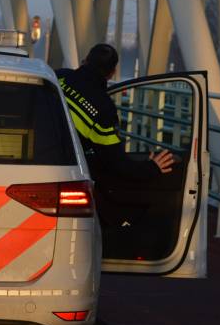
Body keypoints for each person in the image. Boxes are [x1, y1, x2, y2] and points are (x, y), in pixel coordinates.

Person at [56, 44, 176, 227]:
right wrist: (152, 168)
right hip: (68, 172)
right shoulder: (103, 109)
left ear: (85, 60)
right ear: (112, 73)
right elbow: (116, 162)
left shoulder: (59, 76)